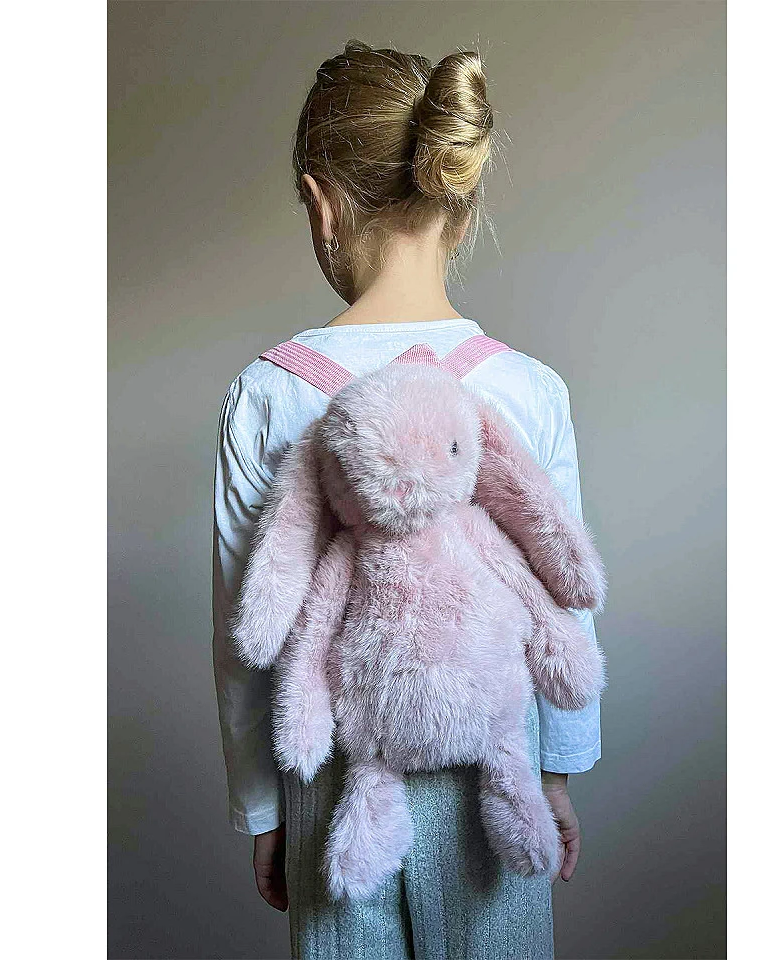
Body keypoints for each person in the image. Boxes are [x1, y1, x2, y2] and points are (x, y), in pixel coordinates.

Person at [212, 41, 603, 959]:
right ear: (460, 206)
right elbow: (564, 596)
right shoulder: (527, 390)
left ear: (320, 205)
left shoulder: (267, 394)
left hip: (339, 775)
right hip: (495, 746)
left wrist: (265, 809)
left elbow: (244, 632)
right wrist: (556, 771)